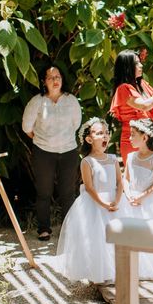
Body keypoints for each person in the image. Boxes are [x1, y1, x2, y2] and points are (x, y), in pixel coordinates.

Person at [56, 118, 127, 283]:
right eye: (99, 133)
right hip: (95, 204)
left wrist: (116, 201)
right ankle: (100, 271)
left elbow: (119, 181)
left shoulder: (112, 159)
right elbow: (89, 187)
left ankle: (117, 269)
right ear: (89, 139)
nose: (105, 137)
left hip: (114, 203)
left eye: (106, 133)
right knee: (97, 238)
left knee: (116, 236)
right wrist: (103, 204)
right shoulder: (87, 161)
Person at [22, 65, 81, 241]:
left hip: (68, 150)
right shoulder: (37, 102)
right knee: (44, 192)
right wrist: (43, 140)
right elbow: (27, 127)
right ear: (43, 81)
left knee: (68, 192)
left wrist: (61, 139)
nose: (55, 81)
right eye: (50, 77)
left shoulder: (71, 100)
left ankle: (68, 229)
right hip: (43, 152)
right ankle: (44, 228)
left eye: (58, 76)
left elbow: (76, 124)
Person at [110, 50, 153, 164]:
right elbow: (144, 106)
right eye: (137, 63)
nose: (141, 65)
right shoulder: (123, 88)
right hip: (132, 140)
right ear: (128, 67)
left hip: (149, 138)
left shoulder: (142, 85)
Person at [123, 118, 153, 279]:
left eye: (133, 134)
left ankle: (147, 268)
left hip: (148, 202)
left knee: (147, 234)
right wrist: (128, 194)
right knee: (129, 234)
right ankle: (129, 265)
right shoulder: (130, 157)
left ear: (145, 137)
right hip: (130, 200)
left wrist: (142, 197)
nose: (129, 138)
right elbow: (126, 178)